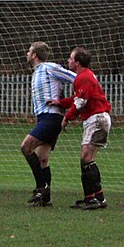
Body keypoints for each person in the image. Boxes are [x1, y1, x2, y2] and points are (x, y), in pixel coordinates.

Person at [53, 47, 112, 210]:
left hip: (97, 118)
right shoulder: (84, 76)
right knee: (86, 159)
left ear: (77, 62)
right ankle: (91, 197)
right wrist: (62, 103)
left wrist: (67, 118)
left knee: (87, 158)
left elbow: (80, 103)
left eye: (71, 59)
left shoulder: (84, 77)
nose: (68, 61)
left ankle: (97, 199)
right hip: (95, 118)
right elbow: (78, 97)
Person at [22, 42, 77, 207]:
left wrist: (67, 101)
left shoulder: (49, 67)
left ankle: (41, 188)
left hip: (52, 117)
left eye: (29, 51)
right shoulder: (37, 72)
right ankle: (45, 199)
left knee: (25, 147)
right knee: (42, 159)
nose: (27, 53)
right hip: (44, 117)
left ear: (34, 55)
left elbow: (77, 79)